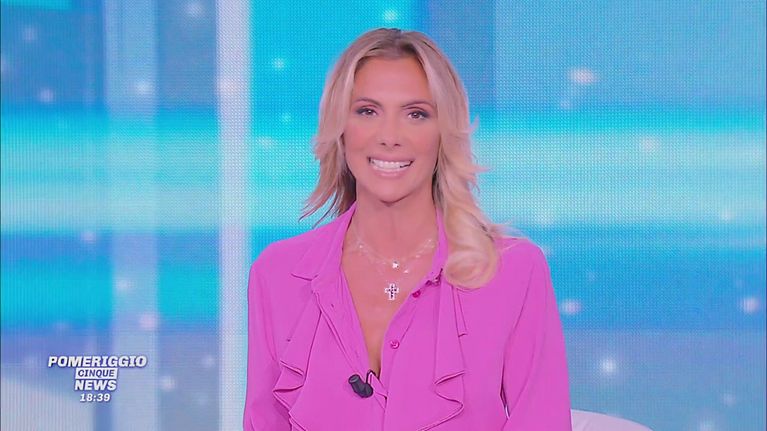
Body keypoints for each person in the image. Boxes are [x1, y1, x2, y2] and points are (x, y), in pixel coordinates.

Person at [243, 28, 572, 430]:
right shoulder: (277, 273)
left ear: (444, 132)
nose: (390, 137)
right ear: (340, 128)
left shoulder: (512, 270)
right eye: (367, 111)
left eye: (416, 114)